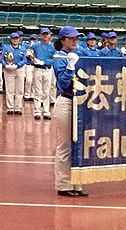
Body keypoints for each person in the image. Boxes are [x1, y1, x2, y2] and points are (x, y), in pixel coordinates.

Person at [53, 25, 87, 197]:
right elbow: (63, 82)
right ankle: (64, 184)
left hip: (81, 102)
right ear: (63, 40)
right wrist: (70, 66)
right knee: (65, 144)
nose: (75, 41)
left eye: (76, 38)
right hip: (66, 101)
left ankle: (76, 182)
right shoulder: (60, 58)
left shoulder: (79, 54)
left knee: (78, 145)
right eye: (71, 38)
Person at [31, 28, 56, 120]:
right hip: (37, 69)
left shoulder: (52, 46)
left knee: (46, 92)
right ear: (40, 35)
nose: (45, 36)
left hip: (47, 69)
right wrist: (34, 60)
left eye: (47, 34)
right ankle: (37, 111)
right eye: (43, 34)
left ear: (49, 35)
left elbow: (55, 59)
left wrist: (45, 62)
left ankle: (46, 111)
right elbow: (29, 55)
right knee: (37, 91)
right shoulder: (35, 46)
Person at [2, 32, 27, 114]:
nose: (15, 40)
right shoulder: (6, 48)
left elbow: (24, 59)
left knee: (20, 89)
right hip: (9, 70)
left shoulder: (22, 48)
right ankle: (10, 107)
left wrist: (17, 65)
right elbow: (2, 58)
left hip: (19, 69)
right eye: (14, 38)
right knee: (9, 89)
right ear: (11, 39)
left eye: (17, 38)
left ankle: (18, 108)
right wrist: (6, 65)